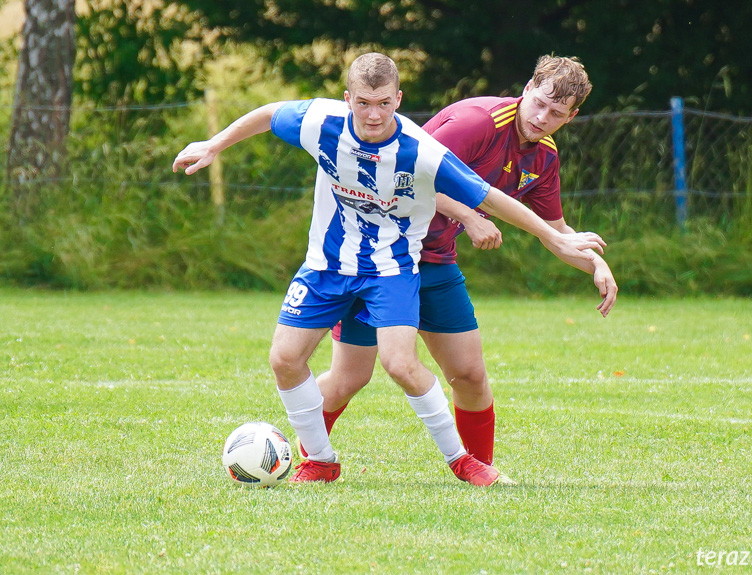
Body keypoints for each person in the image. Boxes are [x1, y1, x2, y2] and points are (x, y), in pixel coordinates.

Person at [172, 52, 605, 486]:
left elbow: (504, 204)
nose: (543, 117)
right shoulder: (468, 123)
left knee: (448, 370)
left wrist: (584, 257)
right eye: (363, 103)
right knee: (334, 373)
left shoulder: (503, 154)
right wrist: (213, 144)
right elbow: (273, 115)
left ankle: (473, 466)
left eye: (557, 113)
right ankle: (317, 460)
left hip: (408, 263)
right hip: (339, 263)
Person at [311, 54, 618, 470]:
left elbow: (554, 229)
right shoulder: (478, 123)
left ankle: (481, 470)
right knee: (350, 378)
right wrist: (469, 215)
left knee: (470, 376)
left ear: (571, 116)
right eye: (540, 103)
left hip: (435, 260)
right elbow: (399, 174)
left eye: (557, 113)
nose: (543, 117)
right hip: (376, 254)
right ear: (527, 89)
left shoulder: (543, 157)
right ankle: (308, 456)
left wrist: (596, 265)